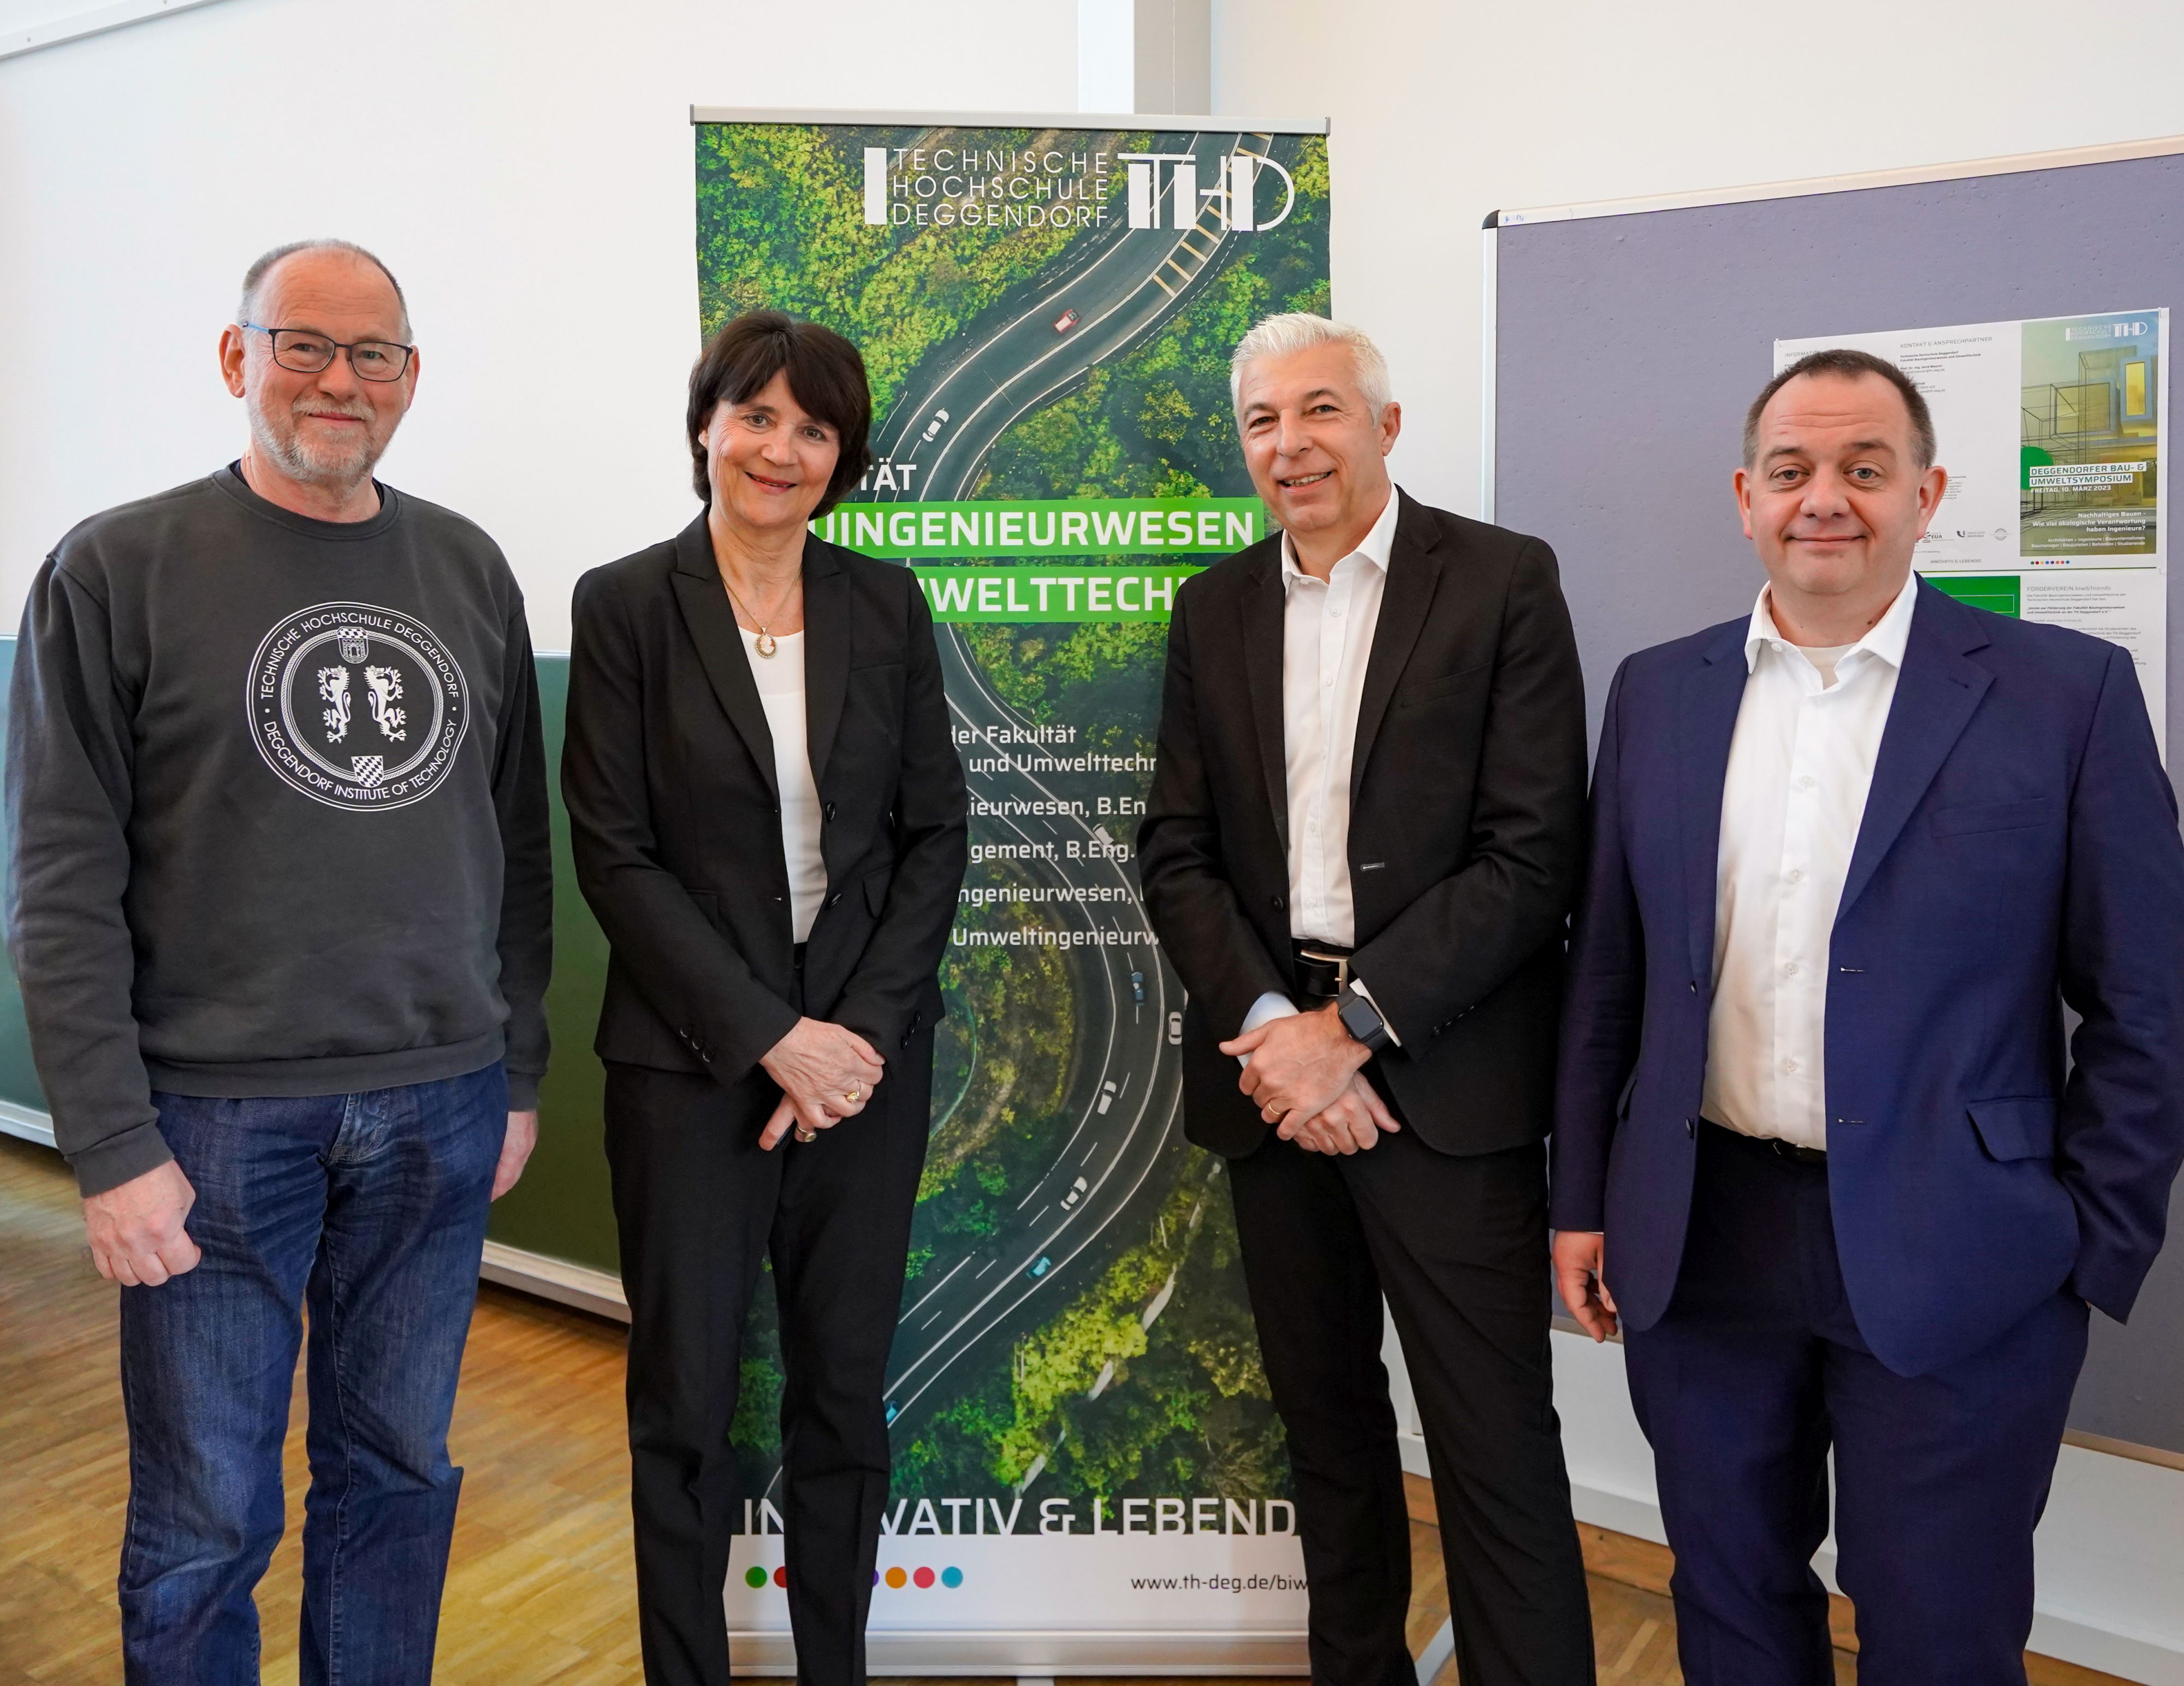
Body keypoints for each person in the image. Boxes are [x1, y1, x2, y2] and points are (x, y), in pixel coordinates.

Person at [1552, 348, 2184, 1685]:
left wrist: (2086, 1239)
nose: (1822, 498)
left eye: (1862, 467)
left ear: (1924, 493)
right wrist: (1580, 1198)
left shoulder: (2062, 693)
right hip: (1700, 1234)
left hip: (1962, 1247)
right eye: (1789, 470)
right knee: (1728, 1599)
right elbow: (1605, 971)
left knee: (1939, 1628)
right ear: (1745, 497)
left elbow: (2147, 996)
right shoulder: (1656, 692)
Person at [4, 239, 553, 1683]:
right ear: (236, 356)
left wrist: (517, 1071)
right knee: (207, 1513)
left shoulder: (467, 566)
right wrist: (111, 1144)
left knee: (401, 1474)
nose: (339, 379)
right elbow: (57, 881)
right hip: (210, 1123)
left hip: (441, 1105)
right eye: (303, 343)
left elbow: (513, 844)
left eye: (373, 354)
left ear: (410, 379)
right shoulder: (114, 568)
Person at [1139, 313, 1595, 1686]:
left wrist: (1349, 1033)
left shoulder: (1501, 581)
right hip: (1271, 1084)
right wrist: (1278, 1035)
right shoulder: (1212, 608)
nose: (1290, 444)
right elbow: (1176, 850)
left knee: (1491, 1448)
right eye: (1261, 421)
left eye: (1320, 409)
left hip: (1441, 1083)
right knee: (1327, 1435)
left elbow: (1532, 854)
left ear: (1385, 426)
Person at [563, 310, 966, 1686]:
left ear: (841, 456)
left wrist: (850, 1040)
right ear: (705, 427)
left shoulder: (884, 603)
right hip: (688, 1069)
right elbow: (614, 854)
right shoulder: (624, 603)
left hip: (863, 1069)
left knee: (841, 1395)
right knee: (684, 1404)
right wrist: (769, 1038)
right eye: (755, 416)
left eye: (812, 427)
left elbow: (933, 834)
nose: (779, 449)